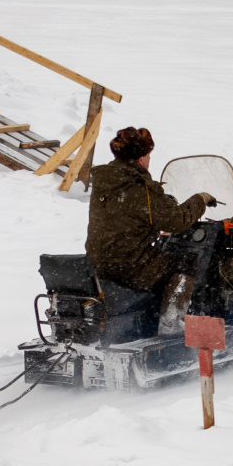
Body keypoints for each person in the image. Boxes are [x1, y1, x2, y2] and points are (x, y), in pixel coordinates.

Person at [85, 127, 216, 334]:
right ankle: (171, 325)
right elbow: (177, 221)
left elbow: (126, 212)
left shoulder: (105, 182)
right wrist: (201, 199)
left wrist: (163, 204)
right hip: (129, 265)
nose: (148, 161)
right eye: (148, 156)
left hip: (99, 262)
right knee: (187, 262)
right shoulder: (138, 186)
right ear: (140, 159)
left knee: (161, 258)